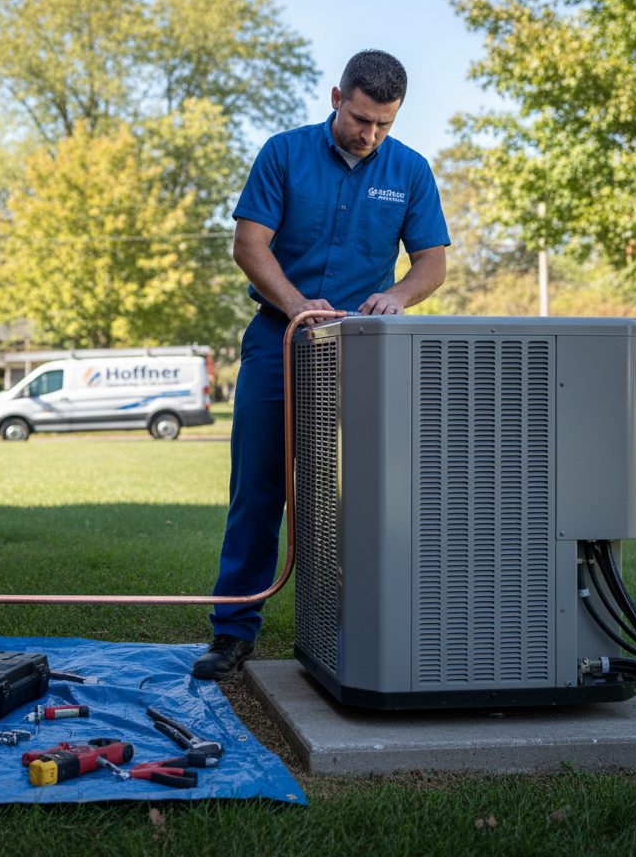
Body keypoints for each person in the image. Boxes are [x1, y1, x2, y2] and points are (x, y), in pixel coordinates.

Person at [191, 49, 450, 680]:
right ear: (337, 97)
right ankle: (233, 631)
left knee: (371, 492)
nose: (370, 134)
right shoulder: (283, 154)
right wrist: (300, 305)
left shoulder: (410, 170)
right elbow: (248, 245)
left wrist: (399, 294)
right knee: (258, 489)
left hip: (364, 352)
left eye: (384, 124)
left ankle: (361, 622)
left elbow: (432, 263)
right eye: (361, 118)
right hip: (278, 341)